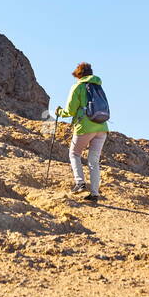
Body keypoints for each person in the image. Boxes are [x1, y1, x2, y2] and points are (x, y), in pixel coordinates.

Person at [57, 62, 109, 204]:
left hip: (85, 126)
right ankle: (94, 193)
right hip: (102, 126)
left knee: (74, 153)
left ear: (78, 75)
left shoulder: (78, 86)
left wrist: (59, 112)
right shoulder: (98, 86)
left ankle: (80, 183)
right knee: (94, 161)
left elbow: (70, 110)